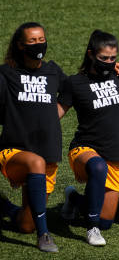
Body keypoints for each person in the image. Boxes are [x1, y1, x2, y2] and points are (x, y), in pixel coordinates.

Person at [58, 30, 119, 246]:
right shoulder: (75, 83)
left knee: (107, 220)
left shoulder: (118, 78)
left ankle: (74, 199)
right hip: (84, 150)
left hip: (114, 153)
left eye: (112, 58)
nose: (109, 63)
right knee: (98, 167)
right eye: (103, 58)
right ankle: (91, 228)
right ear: (90, 54)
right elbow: (55, 114)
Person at [0, 22, 65, 252]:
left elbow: (77, 89)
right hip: (14, 152)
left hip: (47, 154)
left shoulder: (53, 71)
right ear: (20, 45)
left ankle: (5, 207)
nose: (39, 45)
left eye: (41, 40)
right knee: (34, 162)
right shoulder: (6, 73)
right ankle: (45, 235)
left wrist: (56, 113)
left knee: (25, 224)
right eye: (32, 41)